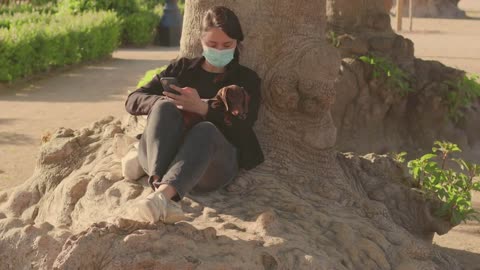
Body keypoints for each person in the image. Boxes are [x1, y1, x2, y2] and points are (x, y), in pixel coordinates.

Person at [124, 6, 264, 224]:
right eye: (212, 44)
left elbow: (243, 129)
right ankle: (163, 195)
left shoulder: (247, 80)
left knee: (205, 129)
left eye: (227, 45)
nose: (219, 50)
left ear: (237, 43)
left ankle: (160, 196)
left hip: (211, 167)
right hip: (165, 157)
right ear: (201, 40)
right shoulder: (181, 69)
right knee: (163, 107)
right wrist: (164, 101)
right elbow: (133, 98)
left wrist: (204, 110)